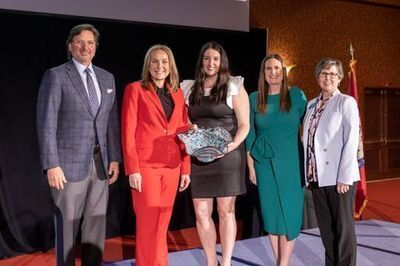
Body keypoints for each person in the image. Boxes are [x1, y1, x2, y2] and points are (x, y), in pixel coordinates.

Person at [36, 24, 121, 266]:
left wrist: (114, 157)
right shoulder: (56, 75)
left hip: (100, 164)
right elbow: (46, 123)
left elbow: (111, 123)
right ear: (70, 46)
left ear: (96, 47)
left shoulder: (107, 77)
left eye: (91, 43)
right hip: (67, 167)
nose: (86, 47)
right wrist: (51, 164)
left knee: (96, 226)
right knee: (67, 228)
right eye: (80, 42)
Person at [121, 44, 191, 266]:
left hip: (172, 167)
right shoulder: (135, 89)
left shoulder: (178, 94)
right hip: (146, 167)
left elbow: (182, 132)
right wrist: (133, 169)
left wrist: (186, 168)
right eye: (155, 61)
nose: (159, 66)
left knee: (162, 224)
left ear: (170, 66)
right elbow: (127, 132)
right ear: (147, 65)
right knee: (148, 224)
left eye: (164, 62)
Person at [181, 41, 249, 266]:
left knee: (225, 210)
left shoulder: (234, 85)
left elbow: (244, 125)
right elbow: (186, 120)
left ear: (222, 62)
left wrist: (230, 146)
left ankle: (226, 261)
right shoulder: (189, 88)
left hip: (227, 157)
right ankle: (211, 261)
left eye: (216, 59)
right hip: (199, 157)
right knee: (201, 212)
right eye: (207, 58)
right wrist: (191, 129)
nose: (211, 63)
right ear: (201, 61)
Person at [245, 54, 307, 266]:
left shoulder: (296, 95)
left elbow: (310, 128)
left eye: (277, 68)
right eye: (268, 68)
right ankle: (279, 261)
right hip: (263, 164)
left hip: (292, 164)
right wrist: (251, 167)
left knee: (290, 212)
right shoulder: (253, 98)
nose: (273, 72)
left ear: (283, 72)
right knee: (271, 214)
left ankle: (284, 263)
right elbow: (250, 136)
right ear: (263, 73)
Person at [302, 58, 360, 266]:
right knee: (327, 233)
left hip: (339, 179)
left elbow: (352, 140)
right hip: (317, 178)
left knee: (343, 233)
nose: (328, 77)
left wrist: (344, 177)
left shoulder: (346, 102)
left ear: (340, 78)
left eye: (333, 74)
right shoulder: (311, 105)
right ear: (317, 77)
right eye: (324, 73)